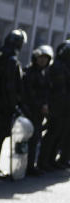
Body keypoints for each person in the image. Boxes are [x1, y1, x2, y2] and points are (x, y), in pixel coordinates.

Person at [0, 29, 27, 179]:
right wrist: (14, 106)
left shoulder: (1, 58)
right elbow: (9, 87)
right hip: (5, 107)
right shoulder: (10, 61)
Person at [23, 44, 53, 176]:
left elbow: (46, 91)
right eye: (40, 58)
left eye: (45, 58)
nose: (43, 60)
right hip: (30, 111)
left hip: (39, 112)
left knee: (35, 140)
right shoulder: (30, 72)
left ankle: (30, 166)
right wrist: (40, 105)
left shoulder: (44, 73)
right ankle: (26, 166)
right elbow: (29, 93)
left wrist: (45, 105)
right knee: (28, 140)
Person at [41, 41, 70, 170]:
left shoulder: (64, 66)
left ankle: (51, 161)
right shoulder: (58, 67)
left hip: (63, 107)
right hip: (58, 106)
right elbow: (59, 89)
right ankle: (45, 161)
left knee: (59, 134)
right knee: (52, 134)